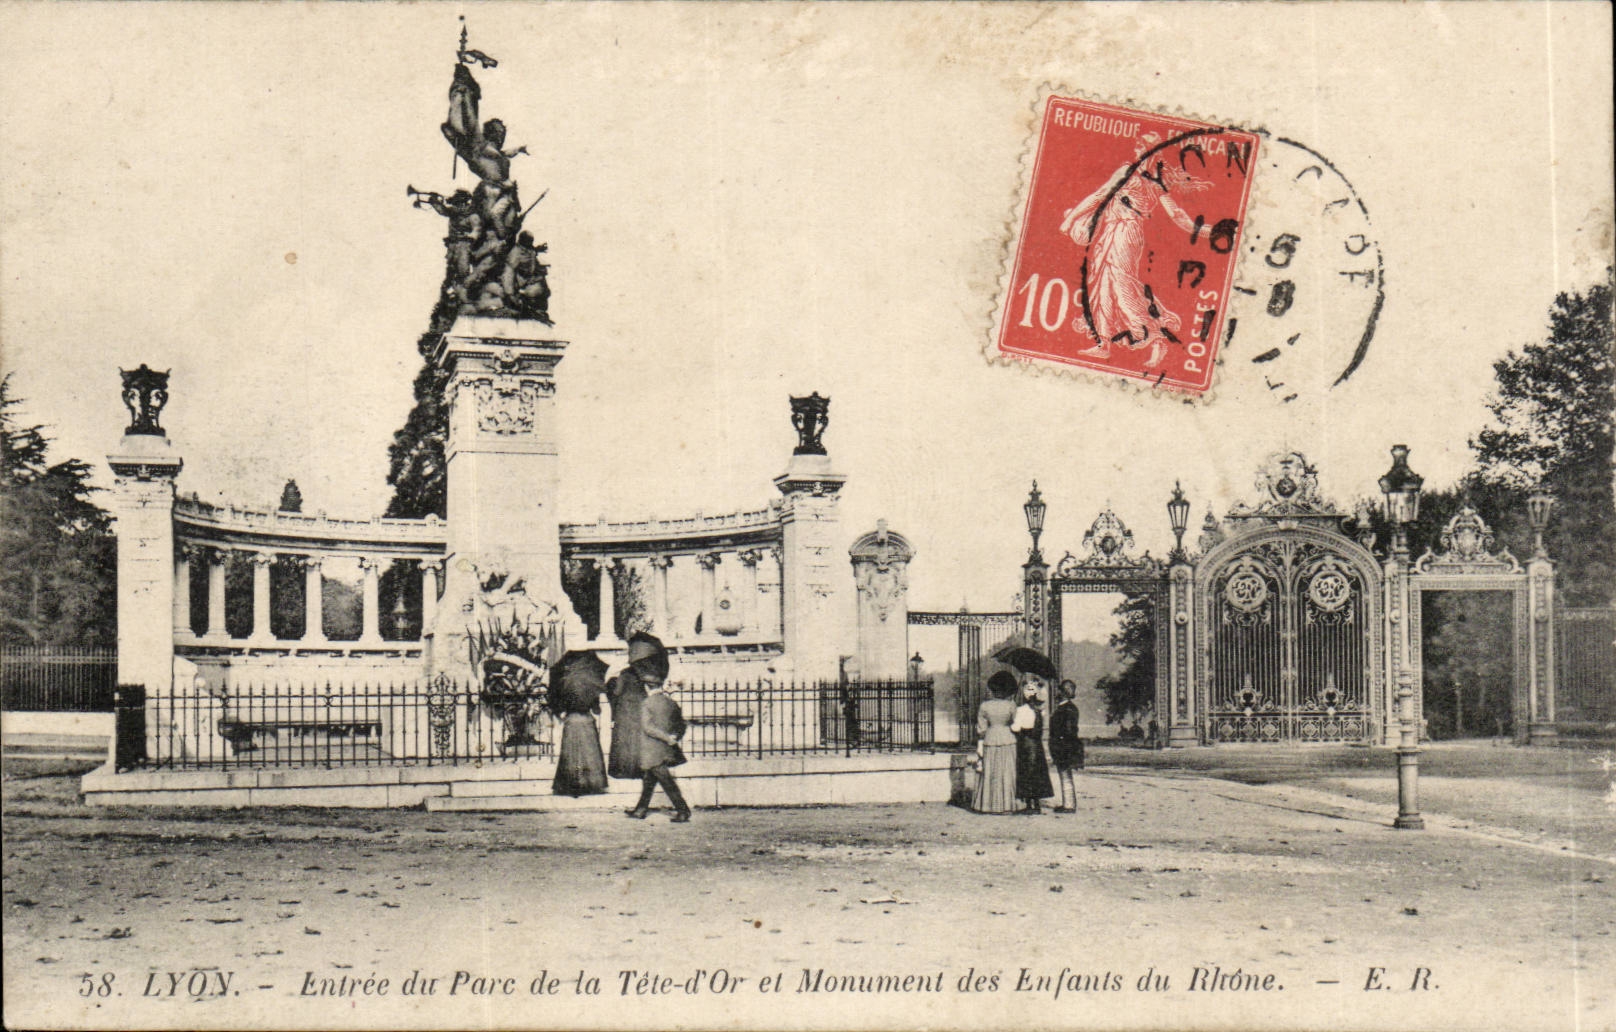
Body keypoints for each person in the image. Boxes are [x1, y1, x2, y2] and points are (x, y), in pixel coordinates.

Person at [1059, 132, 1212, 369]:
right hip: (1112, 230)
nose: (1139, 148)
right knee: (1102, 283)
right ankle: (1104, 343)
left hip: (1127, 233)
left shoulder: (1149, 179)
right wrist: (1073, 220)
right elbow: (1101, 196)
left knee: (1122, 285)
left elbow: (1177, 215)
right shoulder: (1138, 175)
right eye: (1139, 145)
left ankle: (1154, 334)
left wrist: (1205, 231)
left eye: (1144, 146)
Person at [629, 661, 692, 823]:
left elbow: (647, 727)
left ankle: (683, 811)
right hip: (667, 749)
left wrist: (665, 737)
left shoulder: (646, 703)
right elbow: (682, 724)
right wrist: (674, 738)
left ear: (647, 687)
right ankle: (640, 810)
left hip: (652, 751)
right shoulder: (671, 702)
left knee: (667, 782)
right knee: (649, 780)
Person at [550, 651, 608, 797]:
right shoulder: (590, 682)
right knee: (589, 753)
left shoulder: (565, 681)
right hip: (586, 720)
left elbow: (558, 705)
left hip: (571, 720)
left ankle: (571, 785)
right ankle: (591, 784)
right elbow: (597, 710)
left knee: (570, 754)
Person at [607, 632, 661, 782]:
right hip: (641, 706)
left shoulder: (625, 673)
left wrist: (612, 684)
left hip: (626, 709)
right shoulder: (645, 672)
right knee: (639, 739)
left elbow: (617, 691)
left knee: (625, 740)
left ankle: (624, 770)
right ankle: (640, 768)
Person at [971, 671, 1019, 814]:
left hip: (990, 738)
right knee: (1007, 772)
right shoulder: (1011, 705)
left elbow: (981, 728)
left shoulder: (985, 706)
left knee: (990, 772)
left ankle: (987, 805)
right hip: (1008, 738)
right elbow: (1017, 724)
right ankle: (1007, 805)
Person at [1012, 678, 1054, 814]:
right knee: (1037, 772)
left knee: (1026, 772)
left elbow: (1016, 728)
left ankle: (1029, 805)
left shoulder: (1021, 710)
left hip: (1025, 743)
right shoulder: (1041, 710)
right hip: (1037, 744)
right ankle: (1037, 804)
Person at [1048, 679, 1085, 814]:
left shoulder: (1065, 709)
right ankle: (1068, 803)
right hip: (1066, 745)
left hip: (1064, 746)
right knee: (1065, 775)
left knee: (1065, 775)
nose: (1056, 693)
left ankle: (1069, 805)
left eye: (1059, 690)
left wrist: (1060, 742)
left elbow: (1068, 730)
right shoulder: (1070, 708)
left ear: (1062, 693)